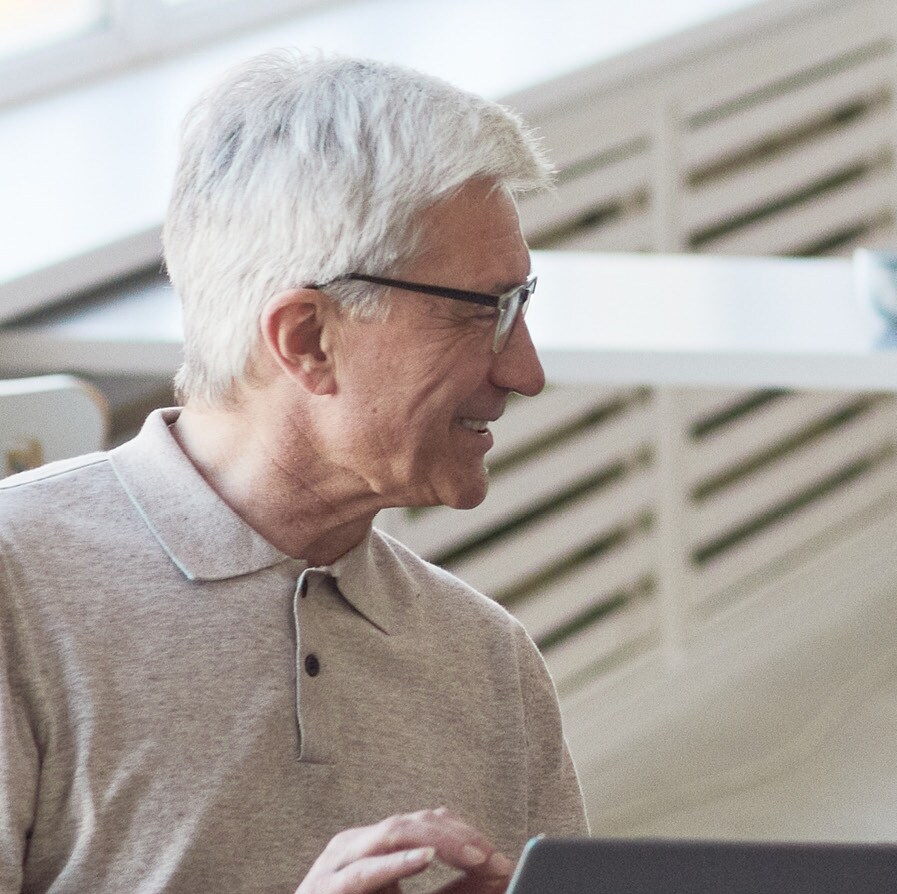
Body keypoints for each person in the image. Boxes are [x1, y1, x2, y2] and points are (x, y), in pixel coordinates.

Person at [0, 51, 588, 893]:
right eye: (481, 315)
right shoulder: (16, 590)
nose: (524, 371)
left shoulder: (487, 661)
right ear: (307, 340)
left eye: (519, 306)